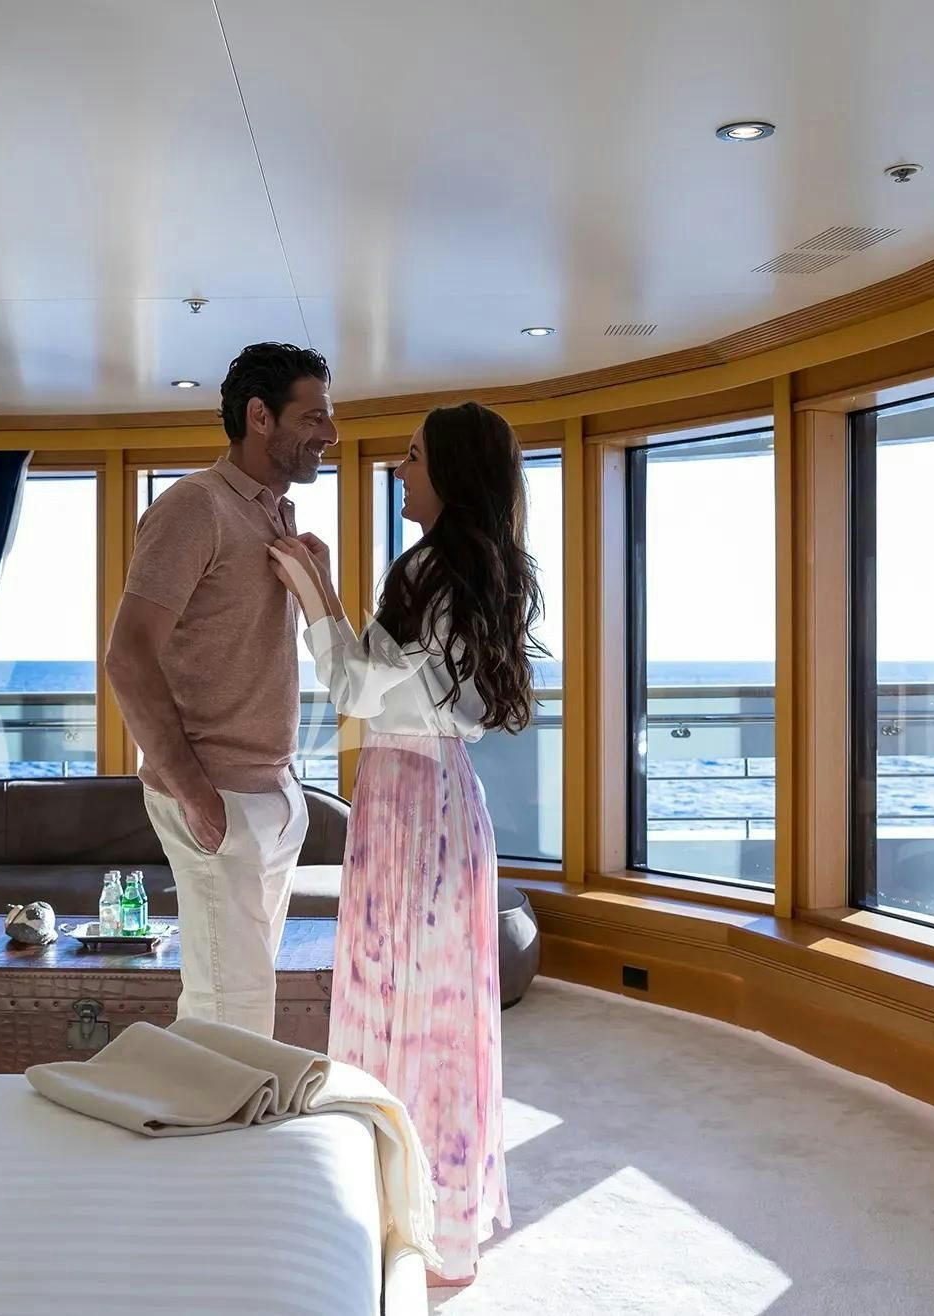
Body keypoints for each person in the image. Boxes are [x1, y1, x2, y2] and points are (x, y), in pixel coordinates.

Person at [268, 400, 539, 1284]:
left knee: (399, 1005)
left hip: (408, 800)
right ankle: (432, 1216)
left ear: (450, 473)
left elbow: (351, 687)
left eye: (413, 458)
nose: (399, 470)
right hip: (437, 797)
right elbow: (386, 685)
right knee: (437, 1013)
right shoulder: (471, 568)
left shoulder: (430, 569)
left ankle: (397, 1219)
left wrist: (312, 586)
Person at [104, 342, 337, 1036]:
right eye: (315, 416)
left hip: (273, 790)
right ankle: (209, 1133)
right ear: (260, 417)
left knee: (243, 998)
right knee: (229, 1010)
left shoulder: (276, 515)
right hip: (218, 794)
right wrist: (194, 792)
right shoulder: (194, 507)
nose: (330, 433)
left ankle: (215, 1125)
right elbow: (127, 655)